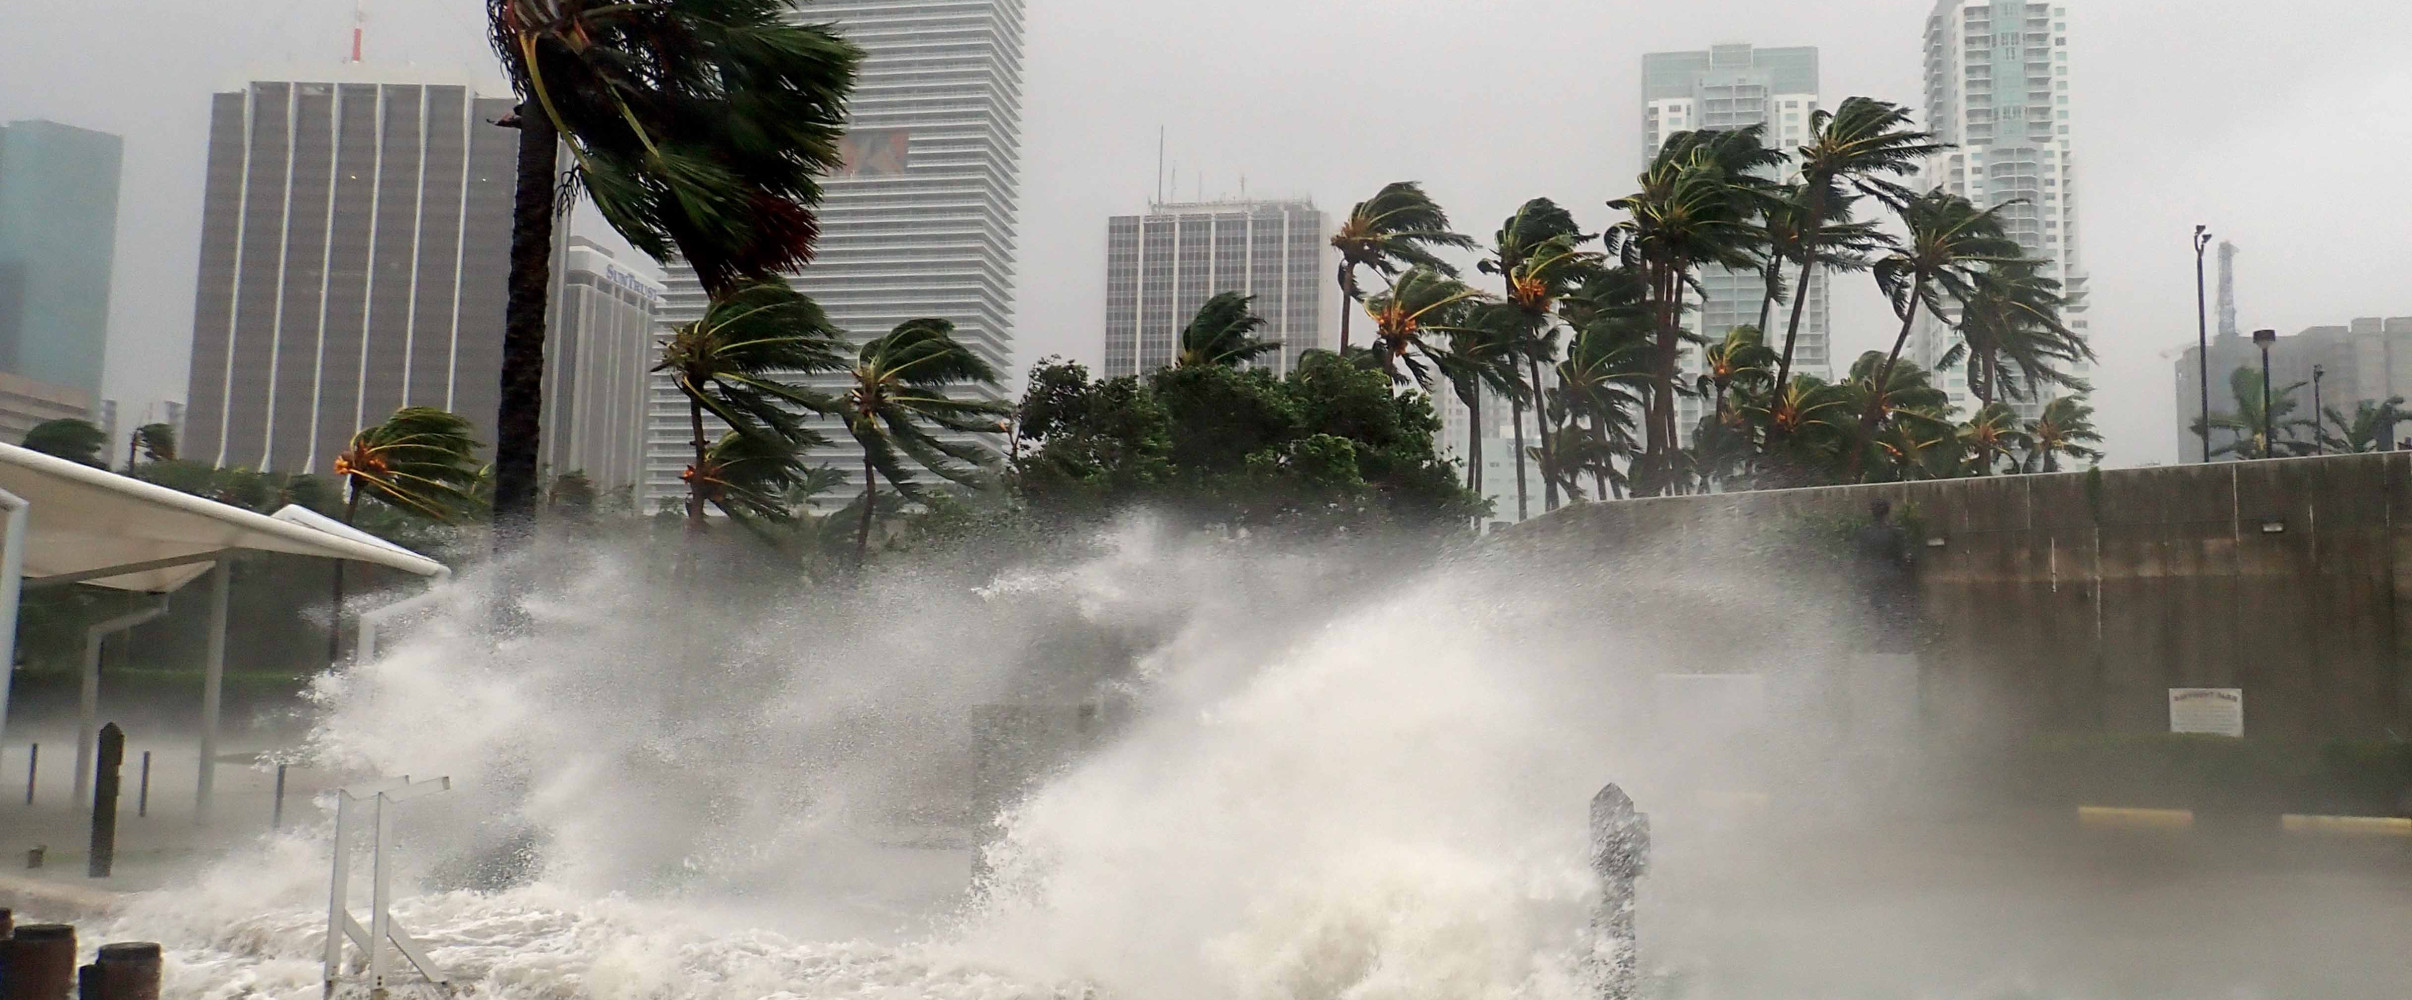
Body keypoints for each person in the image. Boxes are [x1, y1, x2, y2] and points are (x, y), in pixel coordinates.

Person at [1851, 498, 1916, 653]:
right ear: (1888, 511)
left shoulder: (1864, 532)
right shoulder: (1895, 532)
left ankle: (1879, 641)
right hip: (1891, 576)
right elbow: (1904, 556)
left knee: (1877, 609)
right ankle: (1894, 643)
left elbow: (1859, 558)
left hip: (1871, 577)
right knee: (1893, 610)